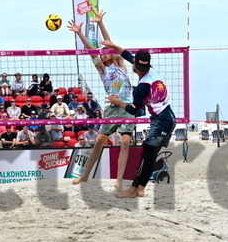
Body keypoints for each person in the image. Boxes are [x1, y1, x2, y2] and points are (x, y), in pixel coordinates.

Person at [68, 12, 135, 189]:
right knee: (99, 141)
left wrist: (101, 23)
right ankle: (84, 175)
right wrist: (79, 33)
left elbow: (109, 43)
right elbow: (92, 52)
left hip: (127, 107)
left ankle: (119, 180)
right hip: (112, 108)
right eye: (102, 53)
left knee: (126, 142)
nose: (104, 54)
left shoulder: (120, 64)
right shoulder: (103, 70)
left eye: (107, 53)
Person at [103, 42, 176, 198]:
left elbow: (133, 111)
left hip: (162, 120)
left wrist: (119, 103)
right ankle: (140, 188)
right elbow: (126, 54)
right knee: (149, 155)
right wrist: (111, 44)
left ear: (135, 66)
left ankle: (135, 189)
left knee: (147, 155)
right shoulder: (152, 71)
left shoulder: (142, 87)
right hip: (167, 117)